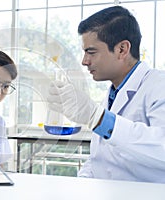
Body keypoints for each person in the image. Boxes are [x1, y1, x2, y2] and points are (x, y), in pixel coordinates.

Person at [47, 6, 165, 183]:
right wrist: (80, 183)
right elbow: (100, 159)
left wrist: (99, 119)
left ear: (122, 50)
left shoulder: (159, 85)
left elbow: (162, 149)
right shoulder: (112, 95)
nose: (84, 61)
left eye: (91, 52)